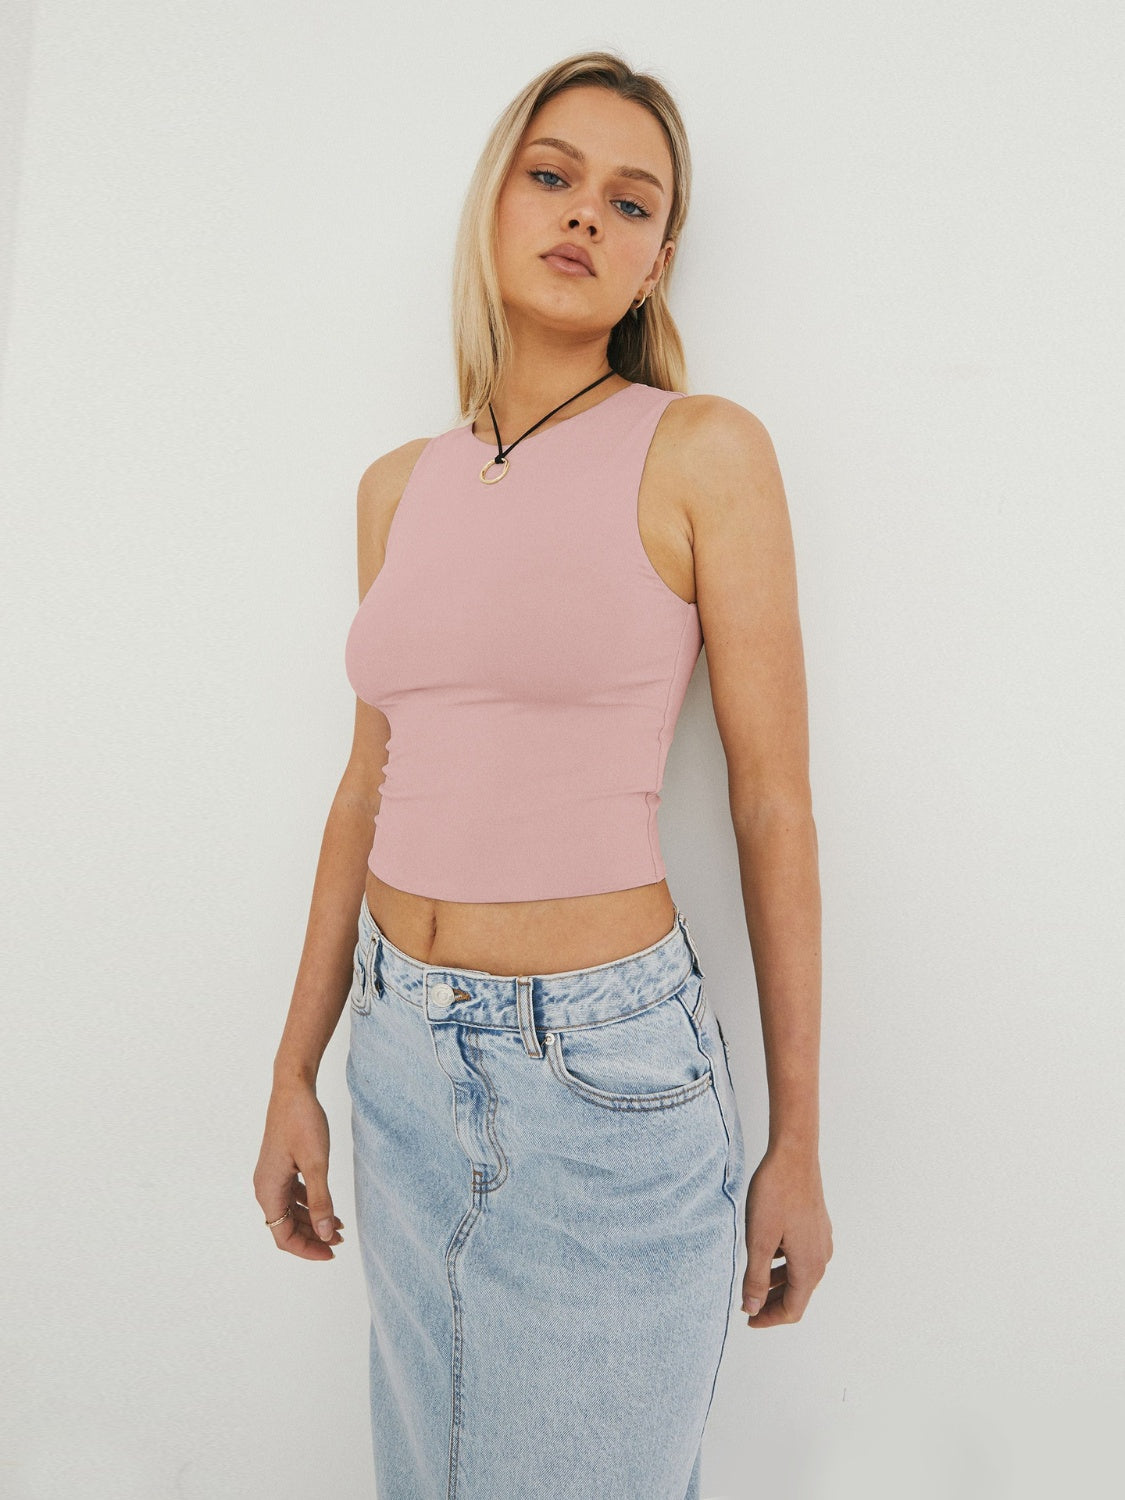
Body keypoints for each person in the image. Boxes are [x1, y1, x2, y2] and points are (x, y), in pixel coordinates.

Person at [254, 48, 832, 1500]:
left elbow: (771, 802)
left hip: (602, 1078)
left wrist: (799, 1142)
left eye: (632, 203)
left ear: (657, 262)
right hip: (396, 1054)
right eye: (553, 175)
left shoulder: (702, 451)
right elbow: (363, 789)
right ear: (495, 201)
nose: (585, 214)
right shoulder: (399, 486)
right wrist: (291, 1070)